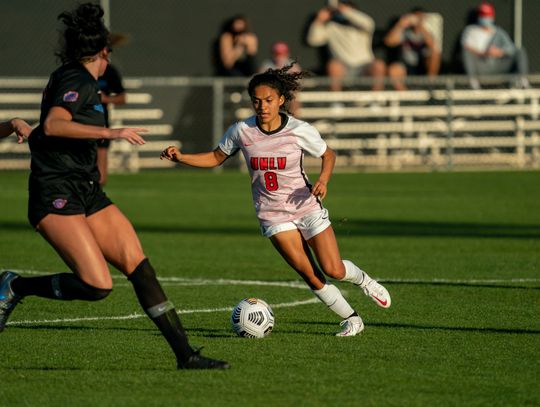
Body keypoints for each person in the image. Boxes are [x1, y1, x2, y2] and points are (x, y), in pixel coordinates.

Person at [0, 3, 228, 370]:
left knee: (139, 267)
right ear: (104, 53)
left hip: (86, 189)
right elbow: (56, 124)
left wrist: (26, 128)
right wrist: (112, 132)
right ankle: (14, 286)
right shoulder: (77, 80)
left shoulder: (77, 77)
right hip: (55, 193)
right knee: (96, 286)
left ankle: (186, 355)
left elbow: (49, 128)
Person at [160, 64, 392, 337]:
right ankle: (352, 319)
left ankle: (363, 280)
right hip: (272, 214)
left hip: (305, 206)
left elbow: (328, 155)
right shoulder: (241, 131)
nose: (262, 106)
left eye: (268, 100)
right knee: (310, 273)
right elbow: (215, 157)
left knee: (333, 268)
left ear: (281, 100)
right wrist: (182, 157)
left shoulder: (299, 129)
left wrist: (323, 180)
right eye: (256, 101)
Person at [306, 0, 386, 92]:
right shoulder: (331, 27)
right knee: (333, 65)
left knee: (379, 65)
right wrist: (319, 21)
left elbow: (368, 23)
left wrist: (344, 10)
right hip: (344, 68)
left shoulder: (364, 27)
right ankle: (336, 101)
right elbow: (313, 40)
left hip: (364, 67)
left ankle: (376, 101)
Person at [460, 1, 530, 89]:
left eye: (487, 15)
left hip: (498, 65)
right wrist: (484, 53)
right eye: (483, 15)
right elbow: (466, 47)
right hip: (481, 65)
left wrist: (499, 52)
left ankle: (522, 80)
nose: (485, 18)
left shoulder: (499, 32)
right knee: (467, 54)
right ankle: (473, 82)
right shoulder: (471, 30)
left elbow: (511, 48)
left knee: (520, 51)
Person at [96, 33, 129, 186]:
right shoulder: (79, 73)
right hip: (81, 125)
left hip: (101, 123)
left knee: (101, 177)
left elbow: (122, 98)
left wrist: (105, 99)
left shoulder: (110, 72)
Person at [384, 8, 441, 90]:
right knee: (394, 69)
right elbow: (389, 42)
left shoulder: (427, 32)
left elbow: (434, 47)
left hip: (422, 65)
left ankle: (430, 87)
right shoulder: (404, 31)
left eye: (421, 17)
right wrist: (400, 25)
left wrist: (421, 27)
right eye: (416, 17)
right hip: (405, 66)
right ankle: (405, 96)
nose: (418, 20)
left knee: (435, 55)